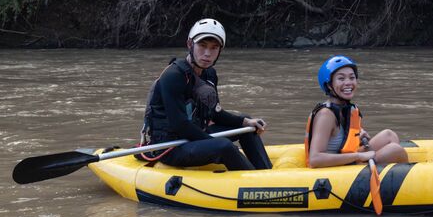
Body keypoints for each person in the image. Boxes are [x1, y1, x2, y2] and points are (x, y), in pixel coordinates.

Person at [138, 18, 271, 170]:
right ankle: (254, 180)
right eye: (202, 46)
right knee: (224, 146)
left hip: (194, 136)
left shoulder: (210, 74)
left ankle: (266, 172)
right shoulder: (173, 76)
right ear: (190, 44)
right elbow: (180, 125)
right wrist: (211, 142)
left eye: (214, 48)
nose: (207, 54)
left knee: (247, 128)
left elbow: (214, 113)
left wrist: (245, 121)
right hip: (171, 147)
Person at [303, 55, 409, 168]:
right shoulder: (326, 114)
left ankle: (390, 174)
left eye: (352, 77)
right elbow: (315, 159)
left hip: (347, 159)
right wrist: (358, 156)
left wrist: (358, 136)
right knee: (395, 150)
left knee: (389, 135)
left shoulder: (346, 109)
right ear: (329, 85)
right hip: (335, 168)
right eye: (341, 78)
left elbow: (344, 139)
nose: (348, 82)